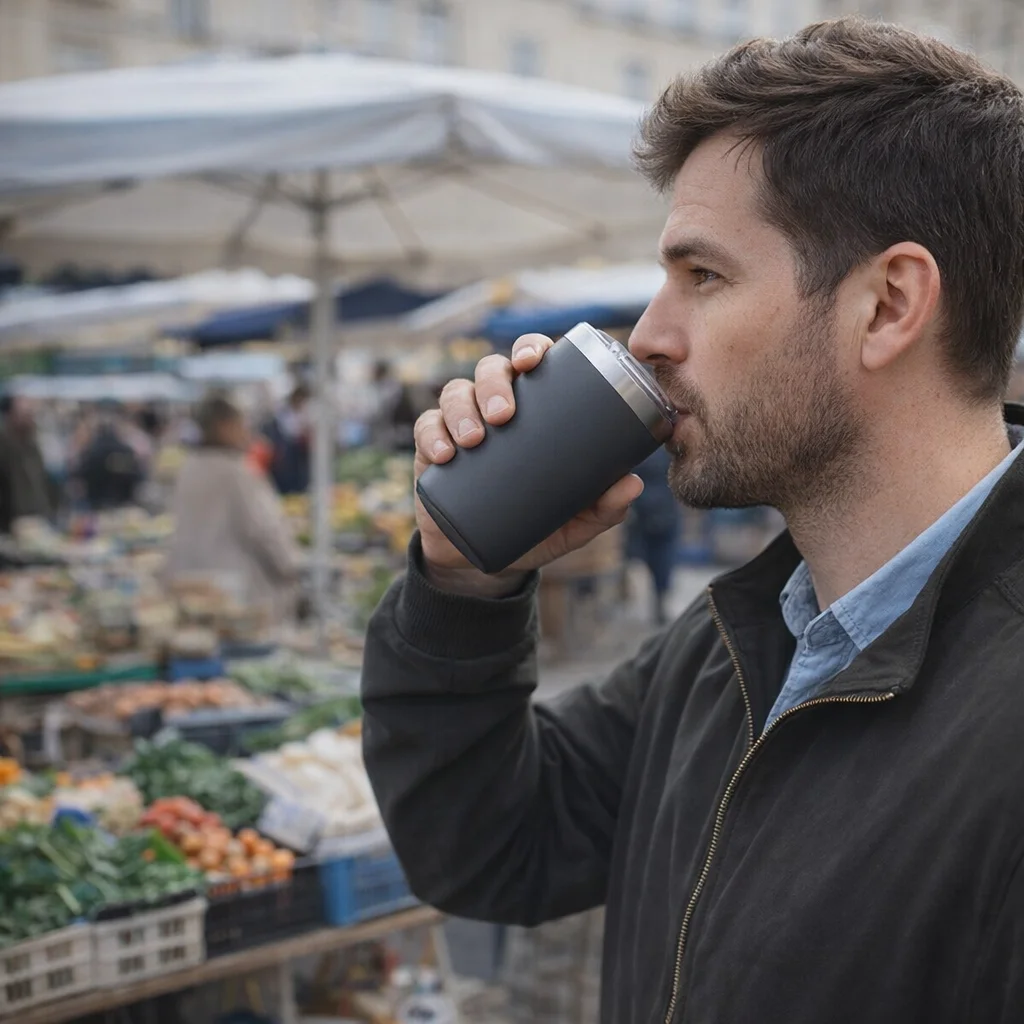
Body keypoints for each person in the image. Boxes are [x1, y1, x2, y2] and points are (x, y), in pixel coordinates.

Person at [360, 19, 1024, 1024]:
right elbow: (495, 851)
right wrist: (463, 582)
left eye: (702, 277)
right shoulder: (742, 635)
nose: (650, 337)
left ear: (888, 304)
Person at [166, 391, 302, 622]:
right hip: (238, 594)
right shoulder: (238, 473)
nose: (246, 431)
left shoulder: (188, 469)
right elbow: (265, 532)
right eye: (241, 424)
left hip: (191, 586)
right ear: (223, 426)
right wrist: (292, 567)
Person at [626, 446, 681, 625]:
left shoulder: (639, 449)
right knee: (663, 559)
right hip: (664, 511)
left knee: (648, 559)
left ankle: (655, 601)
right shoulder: (669, 450)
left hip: (645, 512)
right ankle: (659, 600)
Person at [0, 395, 54, 534]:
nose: (30, 418)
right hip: (12, 521)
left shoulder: (32, 443)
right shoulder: (5, 444)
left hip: (37, 517)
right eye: (25, 414)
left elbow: (40, 480)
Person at [264, 384, 312, 495]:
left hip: (299, 457)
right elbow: (288, 432)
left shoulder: (303, 413)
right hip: (286, 458)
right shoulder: (283, 413)